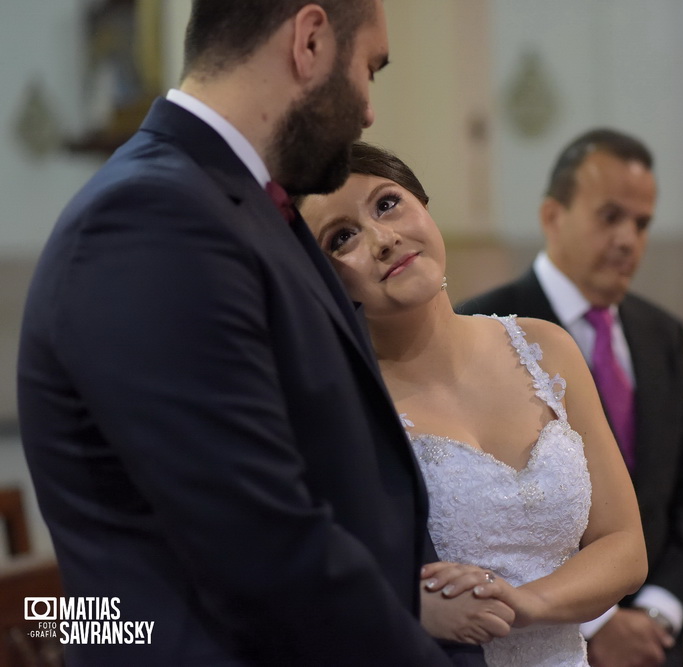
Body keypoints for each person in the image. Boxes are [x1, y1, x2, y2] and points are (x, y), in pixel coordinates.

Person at [17, 2, 510, 665]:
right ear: (309, 41)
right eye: (369, 68)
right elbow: (261, 545)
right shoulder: (152, 216)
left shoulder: (244, 206)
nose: (368, 110)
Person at [297, 142, 648, 666]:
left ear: (424, 205)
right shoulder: (346, 402)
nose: (384, 239)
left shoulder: (543, 347)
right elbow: (316, 582)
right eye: (342, 237)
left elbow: (623, 545)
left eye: (387, 204)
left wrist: (527, 603)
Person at [458, 128, 683, 667]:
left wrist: (660, 611)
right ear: (553, 216)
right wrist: (598, 622)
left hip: (656, 645)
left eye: (642, 223)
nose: (628, 239)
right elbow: (482, 516)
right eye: (610, 217)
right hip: (539, 633)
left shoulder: (660, 332)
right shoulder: (482, 327)